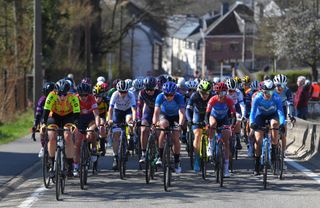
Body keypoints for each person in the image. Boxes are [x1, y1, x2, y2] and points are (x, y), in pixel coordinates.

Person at [43, 79, 80, 177]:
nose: (62, 97)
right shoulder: (51, 95)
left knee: (68, 136)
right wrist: (43, 123)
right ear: (56, 92)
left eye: (64, 94)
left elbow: (76, 113)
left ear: (68, 92)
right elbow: (46, 111)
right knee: (51, 136)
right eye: (60, 94)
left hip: (68, 116)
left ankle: (70, 164)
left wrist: (75, 125)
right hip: (54, 116)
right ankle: (51, 163)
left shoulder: (73, 97)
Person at [250, 79, 286, 175]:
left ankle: (274, 148)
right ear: (262, 91)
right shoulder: (257, 98)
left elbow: (281, 113)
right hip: (260, 116)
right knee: (258, 140)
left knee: (274, 125)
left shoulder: (276, 98)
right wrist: (252, 123)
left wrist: (282, 123)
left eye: (271, 91)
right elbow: (252, 112)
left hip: (272, 115)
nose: (269, 94)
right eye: (267, 92)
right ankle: (257, 164)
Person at [152, 81, 185, 174]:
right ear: (164, 93)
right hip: (164, 115)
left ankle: (177, 161)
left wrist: (180, 125)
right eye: (167, 95)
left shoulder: (179, 97)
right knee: (163, 126)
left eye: (171, 95)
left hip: (175, 116)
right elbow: (156, 112)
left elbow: (182, 112)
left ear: (175, 93)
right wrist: (154, 124)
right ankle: (160, 155)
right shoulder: (160, 97)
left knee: (176, 137)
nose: (169, 97)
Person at [206, 82, 236, 177]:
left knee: (226, 142)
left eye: (223, 93)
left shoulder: (229, 100)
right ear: (216, 93)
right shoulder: (212, 100)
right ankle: (210, 145)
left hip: (224, 119)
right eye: (219, 93)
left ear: (226, 93)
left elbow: (233, 115)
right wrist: (207, 124)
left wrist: (232, 125)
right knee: (212, 124)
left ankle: (226, 168)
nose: (221, 95)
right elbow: (207, 114)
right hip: (213, 117)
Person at [107, 80, 137, 170]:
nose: (123, 94)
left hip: (127, 111)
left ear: (127, 91)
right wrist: (110, 120)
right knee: (116, 135)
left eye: (125, 92)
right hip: (117, 112)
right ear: (118, 90)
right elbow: (111, 108)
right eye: (121, 92)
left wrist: (134, 119)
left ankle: (131, 136)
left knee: (129, 121)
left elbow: (134, 110)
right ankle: (116, 157)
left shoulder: (131, 95)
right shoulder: (115, 94)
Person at [73, 82, 101, 176]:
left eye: (85, 95)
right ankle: (76, 166)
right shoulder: (75, 99)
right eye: (81, 95)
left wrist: (98, 124)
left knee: (91, 133)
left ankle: (93, 149)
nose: (83, 97)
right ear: (78, 94)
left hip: (90, 118)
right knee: (77, 142)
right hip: (79, 119)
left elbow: (96, 114)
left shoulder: (92, 98)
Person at [186, 80, 213, 172]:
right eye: (202, 93)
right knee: (197, 135)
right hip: (197, 114)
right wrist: (189, 120)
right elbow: (188, 110)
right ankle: (197, 160)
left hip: (209, 115)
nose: (204, 95)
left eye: (207, 93)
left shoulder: (212, 96)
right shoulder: (195, 96)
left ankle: (211, 148)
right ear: (199, 91)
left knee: (211, 130)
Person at [136, 76, 161, 163]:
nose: (149, 92)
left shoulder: (159, 93)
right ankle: (143, 153)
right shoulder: (142, 93)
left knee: (158, 132)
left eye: (151, 90)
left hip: (159, 111)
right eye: (147, 89)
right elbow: (139, 107)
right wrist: (138, 119)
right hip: (148, 111)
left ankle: (159, 155)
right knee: (143, 130)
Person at [273, 74, 296, 160]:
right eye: (278, 85)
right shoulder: (271, 90)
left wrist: (291, 115)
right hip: (272, 107)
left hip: (282, 108)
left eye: (283, 85)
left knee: (283, 132)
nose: (280, 87)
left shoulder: (287, 90)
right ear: (275, 85)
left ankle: (283, 152)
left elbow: (290, 103)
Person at [32, 81, 55, 157]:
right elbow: (38, 114)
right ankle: (43, 147)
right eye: (47, 94)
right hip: (44, 119)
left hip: (55, 119)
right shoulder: (42, 100)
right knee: (42, 131)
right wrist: (35, 125)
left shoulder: (56, 98)